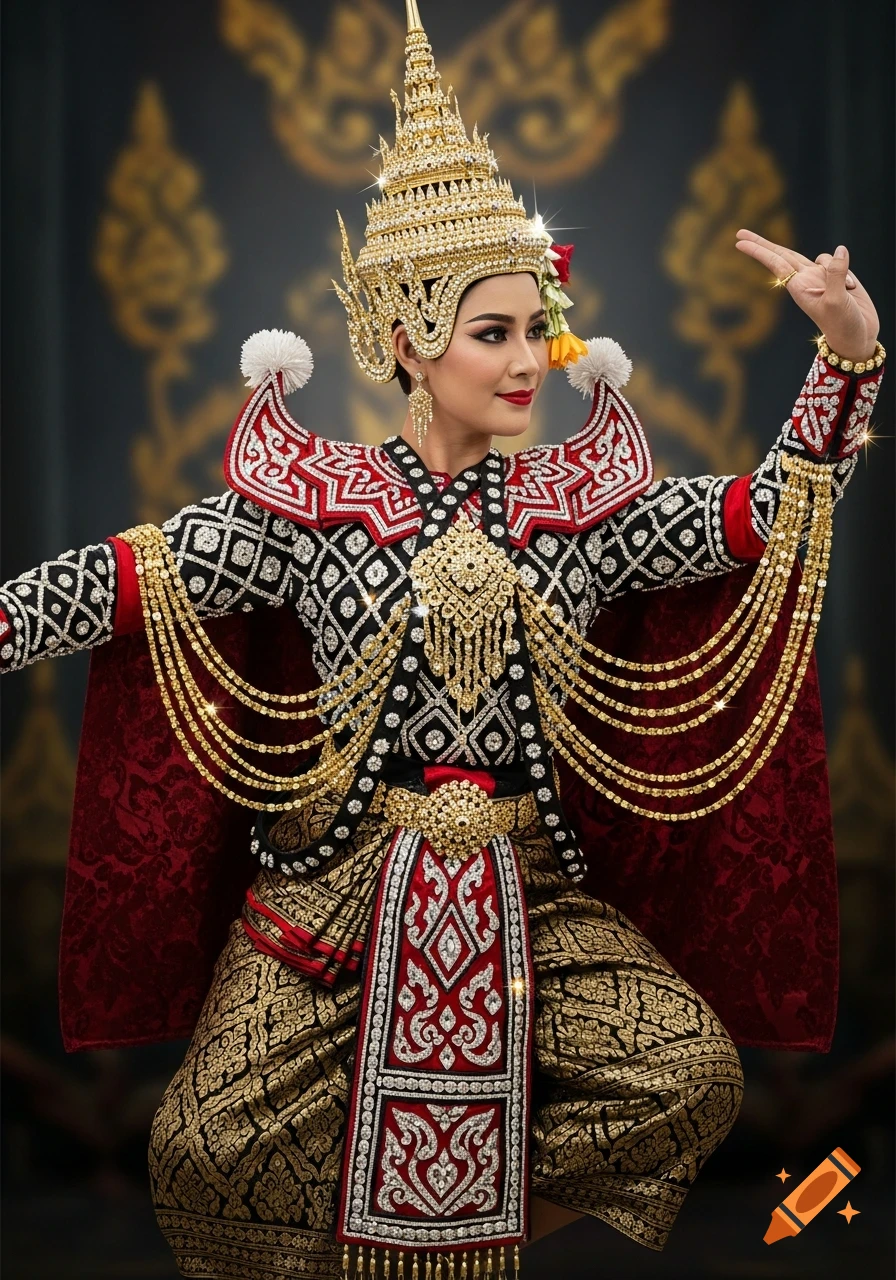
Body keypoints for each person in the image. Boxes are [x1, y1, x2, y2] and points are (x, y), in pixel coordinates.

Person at [0, 4, 885, 1279]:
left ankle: (428, 1234)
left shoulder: (579, 510)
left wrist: (843, 357)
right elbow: (133, 577)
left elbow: (765, 515)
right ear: (406, 338)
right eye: (494, 333)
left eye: (539, 329)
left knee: (685, 1074)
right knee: (198, 1153)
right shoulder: (312, 506)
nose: (532, 360)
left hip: (533, 898)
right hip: (329, 898)